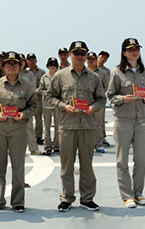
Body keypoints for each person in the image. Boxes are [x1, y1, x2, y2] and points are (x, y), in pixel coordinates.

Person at [45, 41, 106, 213]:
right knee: (67, 165)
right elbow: (50, 96)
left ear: (86, 55)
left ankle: (87, 199)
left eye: (82, 53)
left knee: (87, 165)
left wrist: (93, 108)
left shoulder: (94, 77)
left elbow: (101, 99)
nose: (79, 56)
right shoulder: (60, 76)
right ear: (70, 55)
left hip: (87, 126)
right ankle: (67, 198)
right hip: (67, 126)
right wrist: (64, 106)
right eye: (76, 53)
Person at [0, 51, 38, 213]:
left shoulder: (27, 85)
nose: (11, 66)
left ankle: (18, 201)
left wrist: (24, 114)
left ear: (20, 66)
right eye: (8, 64)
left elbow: (34, 105)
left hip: (18, 130)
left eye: (15, 64)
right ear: (4, 66)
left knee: (18, 167)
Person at [107, 38, 145, 208]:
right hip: (123, 120)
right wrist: (122, 98)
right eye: (131, 49)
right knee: (122, 160)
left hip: (141, 120)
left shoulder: (144, 72)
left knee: (141, 158)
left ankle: (138, 193)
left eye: (137, 49)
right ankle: (126, 195)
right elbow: (110, 96)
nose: (135, 52)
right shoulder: (116, 72)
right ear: (124, 52)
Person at [87, 51, 109, 153]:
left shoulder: (102, 73)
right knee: (86, 122)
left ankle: (99, 144)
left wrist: (98, 95)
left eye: (93, 59)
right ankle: (87, 143)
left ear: (96, 60)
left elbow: (106, 86)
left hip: (98, 101)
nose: (91, 61)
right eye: (89, 59)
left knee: (99, 123)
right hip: (86, 102)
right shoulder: (83, 71)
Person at [19, 54, 41, 155]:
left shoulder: (30, 74)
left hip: (27, 101)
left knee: (29, 125)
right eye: (19, 61)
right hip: (14, 102)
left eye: (23, 61)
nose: (21, 63)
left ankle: (33, 148)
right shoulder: (13, 73)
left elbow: (32, 88)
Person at [37, 57, 60, 155]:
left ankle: (57, 145)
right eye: (51, 65)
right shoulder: (44, 77)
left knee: (58, 126)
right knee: (47, 126)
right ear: (48, 66)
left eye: (54, 65)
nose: (52, 67)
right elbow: (40, 89)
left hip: (57, 103)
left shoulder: (60, 76)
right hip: (46, 104)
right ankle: (48, 146)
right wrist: (47, 94)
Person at [26, 53, 46, 145]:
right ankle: (27, 136)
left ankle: (38, 136)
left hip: (38, 97)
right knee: (28, 117)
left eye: (33, 59)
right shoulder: (25, 72)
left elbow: (44, 84)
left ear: (36, 60)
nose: (32, 61)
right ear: (27, 61)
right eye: (30, 59)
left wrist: (36, 91)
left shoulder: (41, 72)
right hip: (27, 98)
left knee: (38, 118)